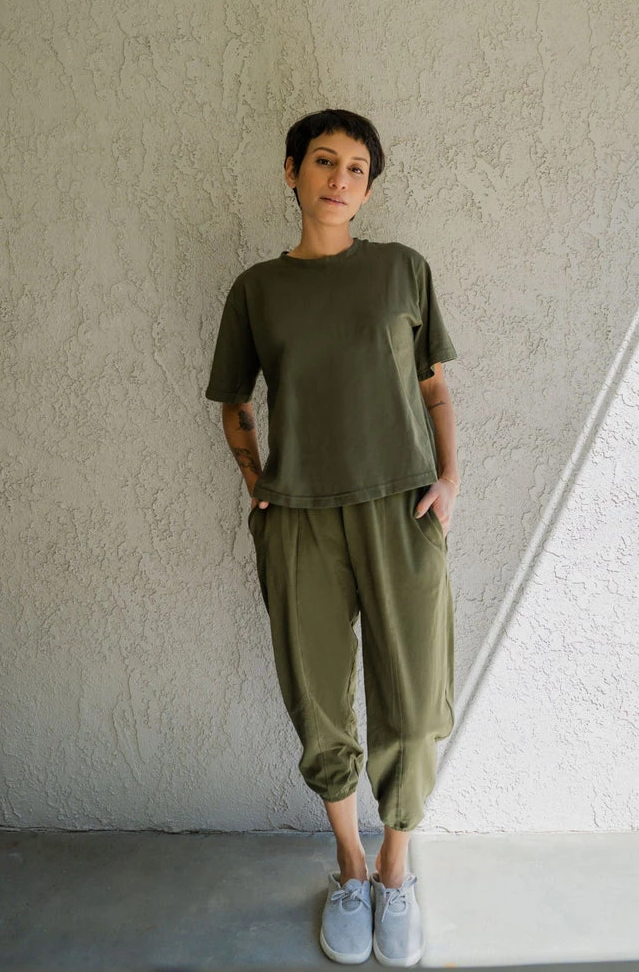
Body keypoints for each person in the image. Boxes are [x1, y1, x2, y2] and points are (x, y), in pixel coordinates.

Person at [205, 108, 459, 966]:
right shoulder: (257, 289)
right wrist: (256, 485)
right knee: (318, 704)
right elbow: (234, 403)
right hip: (299, 519)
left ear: (368, 188)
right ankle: (349, 865)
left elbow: (432, 388)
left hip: (402, 512)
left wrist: (450, 480)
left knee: (415, 710)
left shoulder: (401, 270)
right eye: (323, 161)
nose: (339, 179)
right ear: (291, 171)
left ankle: (396, 868)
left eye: (356, 168)